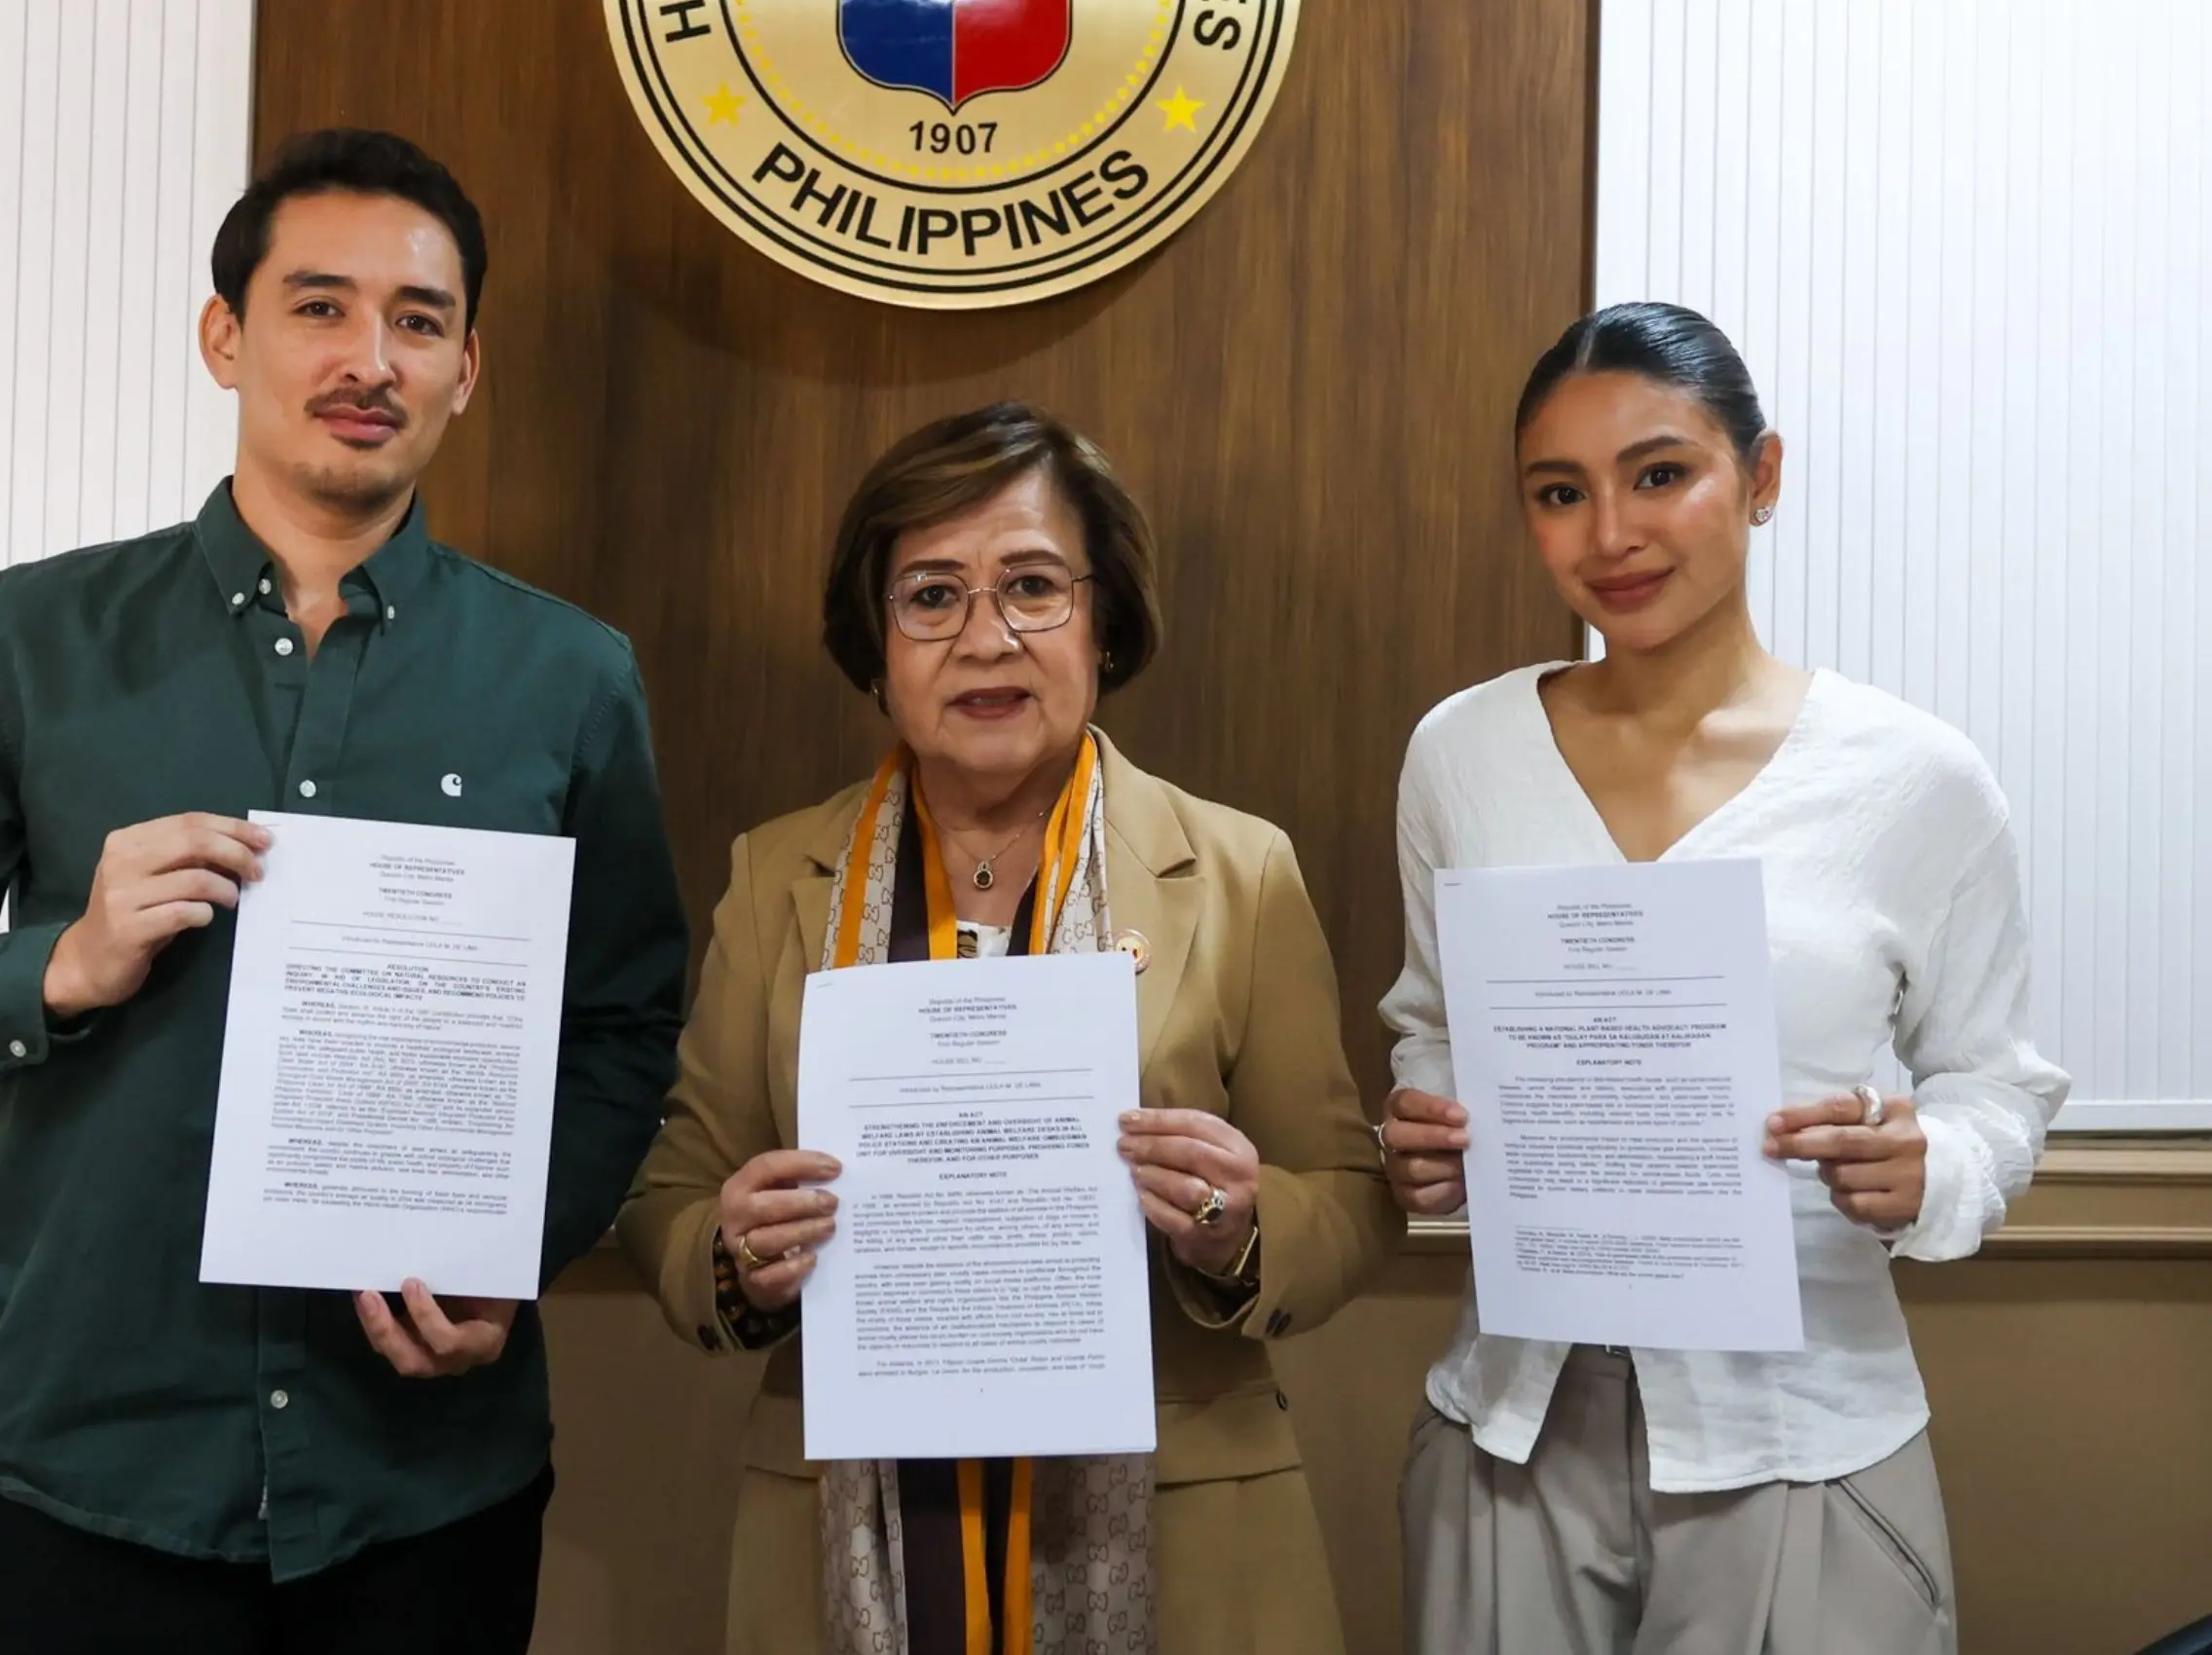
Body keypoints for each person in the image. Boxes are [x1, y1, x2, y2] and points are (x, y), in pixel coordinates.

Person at [0, 129, 688, 1654]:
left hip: (421, 1487)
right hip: (86, 1478)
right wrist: (58, 965)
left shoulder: (570, 679)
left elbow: (624, 1026)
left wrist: (516, 1251)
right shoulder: (15, 645)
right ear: (224, 337)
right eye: (320, 306)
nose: (370, 358)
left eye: (418, 320)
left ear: (466, 369)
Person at [615, 403, 1396, 1655]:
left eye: (1032, 585)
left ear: (1104, 621)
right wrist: (730, 1249)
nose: (986, 636)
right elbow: (671, 1195)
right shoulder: (777, 875)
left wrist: (1240, 1223)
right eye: (931, 595)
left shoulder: (1237, 870)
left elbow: (1349, 1200)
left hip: (1179, 1519)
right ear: (876, 643)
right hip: (850, 1520)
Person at [1378, 301, 2072, 1654]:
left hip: (1802, 1430)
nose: (1610, 535)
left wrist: (1930, 1165)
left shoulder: (1912, 777)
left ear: (1760, 476)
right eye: (1559, 493)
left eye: (1660, 474)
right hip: (1513, 1430)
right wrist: (1430, 1128)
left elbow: (1995, 1085)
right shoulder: (1461, 752)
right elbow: (1432, 1027)